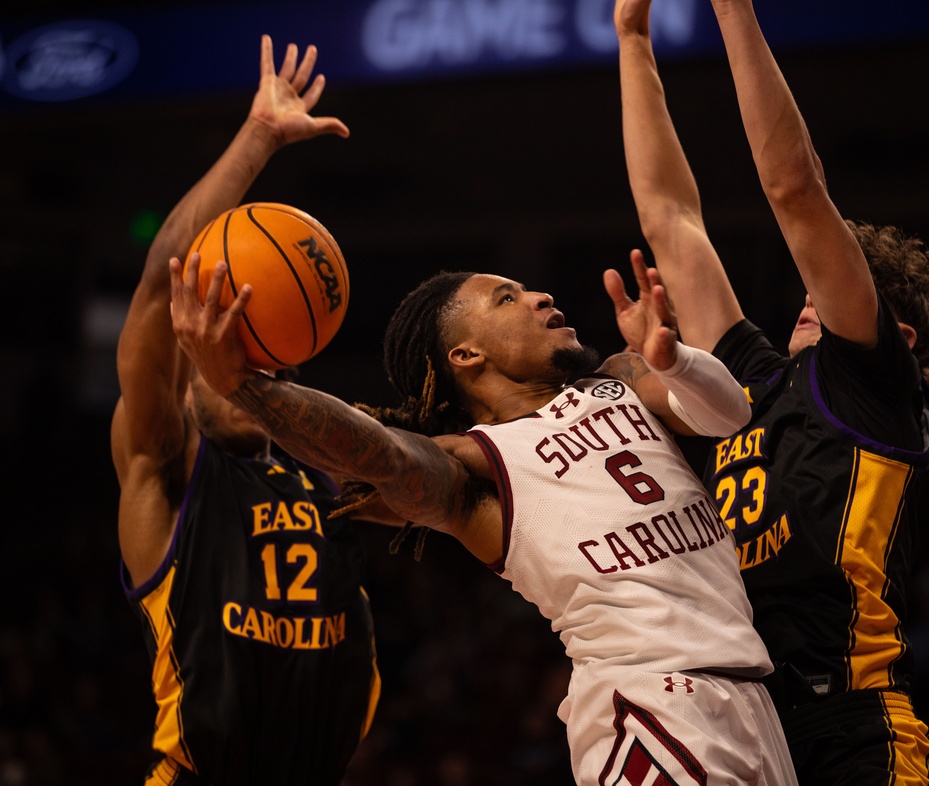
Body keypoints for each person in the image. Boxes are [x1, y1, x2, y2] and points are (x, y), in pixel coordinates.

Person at [169, 237, 799, 782]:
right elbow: (377, 453)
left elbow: (731, 415)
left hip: (751, 694)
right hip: (655, 704)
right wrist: (245, 385)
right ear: (467, 356)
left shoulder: (623, 378)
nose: (540, 297)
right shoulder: (474, 467)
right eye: (507, 298)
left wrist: (677, 360)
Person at [615, 0, 929, 783]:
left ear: (897, 341)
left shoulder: (869, 385)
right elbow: (671, 222)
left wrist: (733, 14)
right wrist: (633, 42)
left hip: (858, 728)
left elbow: (795, 189)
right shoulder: (750, 386)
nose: (808, 293)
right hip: (749, 738)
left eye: (825, 288)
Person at [111, 35, 381, 785]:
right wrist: (258, 139)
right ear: (190, 367)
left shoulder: (327, 474)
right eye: (228, 355)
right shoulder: (167, 470)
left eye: (267, 361)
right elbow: (162, 286)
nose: (252, 368)